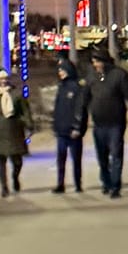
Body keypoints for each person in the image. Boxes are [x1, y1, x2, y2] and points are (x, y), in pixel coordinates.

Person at [87, 47, 128, 197]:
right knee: (102, 157)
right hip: (98, 123)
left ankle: (115, 186)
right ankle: (106, 182)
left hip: (116, 122)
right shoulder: (92, 77)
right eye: (94, 62)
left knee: (116, 155)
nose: (95, 65)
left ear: (105, 61)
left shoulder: (119, 75)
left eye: (97, 62)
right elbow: (85, 97)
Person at [0, 69, 31, 196]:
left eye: (5, 78)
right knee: (0, 160)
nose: (3, 81)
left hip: (14, 130)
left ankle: (15, 177)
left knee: (17, 161)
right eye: (1, 79)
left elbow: (25, 111)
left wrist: (29, 125)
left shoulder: (17, 94)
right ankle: (4, 187)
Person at [49, 56, 90, 194]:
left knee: (76, 159)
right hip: (61, 130)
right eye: (59, 70)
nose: (60, 72)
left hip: (73, 131)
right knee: (61, 159)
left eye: (62, 70)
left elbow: (80, 108)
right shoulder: (61, 87)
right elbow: (57, 108)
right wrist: (55, 125)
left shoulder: (77, 88)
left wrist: (77, 127)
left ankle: (78, 183)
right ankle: (60, 183)